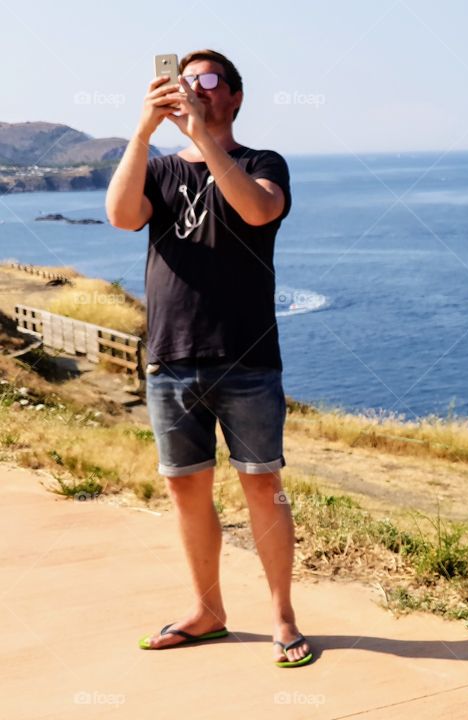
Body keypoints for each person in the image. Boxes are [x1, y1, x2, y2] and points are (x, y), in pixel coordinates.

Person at [105, 49, 311, 668]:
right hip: (171, 357)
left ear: (235, 96)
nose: (195, 88)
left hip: (247, 356)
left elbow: (257, 209)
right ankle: (208, 612)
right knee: (187, 492)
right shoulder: (159, 169)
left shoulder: (262, 163)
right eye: (186, 79)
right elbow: (121, 216)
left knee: (263, 487)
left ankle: (282, 617)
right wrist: (143, 131)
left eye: (209, 79)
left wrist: (200, 136)